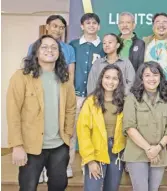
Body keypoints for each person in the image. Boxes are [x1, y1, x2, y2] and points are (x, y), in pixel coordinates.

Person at [7, 35, 76, 190]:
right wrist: (17, 145)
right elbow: (13, 113)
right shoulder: (22, 77)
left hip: (59, 146)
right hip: (30, 147)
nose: (49, 50)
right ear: (36, 52)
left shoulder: (64, 78)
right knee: (28, 187)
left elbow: (71, 108)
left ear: (59, 53)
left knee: (59, 185)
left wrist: (67, 132)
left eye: (54, 47)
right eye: (44, 47)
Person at [123, 61, 167, 191]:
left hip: (159, 153)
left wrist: (157, 148)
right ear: (141, 78)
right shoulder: (132, 98)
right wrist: (148, 149)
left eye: (155, 75)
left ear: (160, 77)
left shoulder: (166, 99)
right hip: (137, 153)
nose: (152, 79)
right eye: (147, 75)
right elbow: (129, 127)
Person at [77, 64, 126, 191]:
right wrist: (90, 160)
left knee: (112, 188)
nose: (110, 81)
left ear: (119, 82)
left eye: (115, 78)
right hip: (96, 151)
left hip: (117, 152)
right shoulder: (91, 102)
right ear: (101, 79)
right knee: (92, 188)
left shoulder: (125, 102)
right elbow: (83, 132)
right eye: (107, 77)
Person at [69, 13, 104, 176]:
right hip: (76, 96)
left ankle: (88, 165)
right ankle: (67, 166)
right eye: (88, 23)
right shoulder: (74, 45)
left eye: (94, 23)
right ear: (82, 26)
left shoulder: (104, 45)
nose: (91, 25)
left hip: (96, 96)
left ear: (99, 27)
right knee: (71, 133)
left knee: (93, 132)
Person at [27, 15, 76, 84]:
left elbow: (70, 73)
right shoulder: (34, 46)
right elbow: (29, 69)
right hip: (38, 87)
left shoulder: (69, 49)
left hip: (61, 87)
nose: (58, 30)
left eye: (61, 28)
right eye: (55, 26)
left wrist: (69, 91)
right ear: (47, 27)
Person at [143, 13, 167, 80]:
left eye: (165, 22)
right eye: (157, 22)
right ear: (153, 26)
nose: (161, 25)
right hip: (149, 83)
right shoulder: (145, 41)